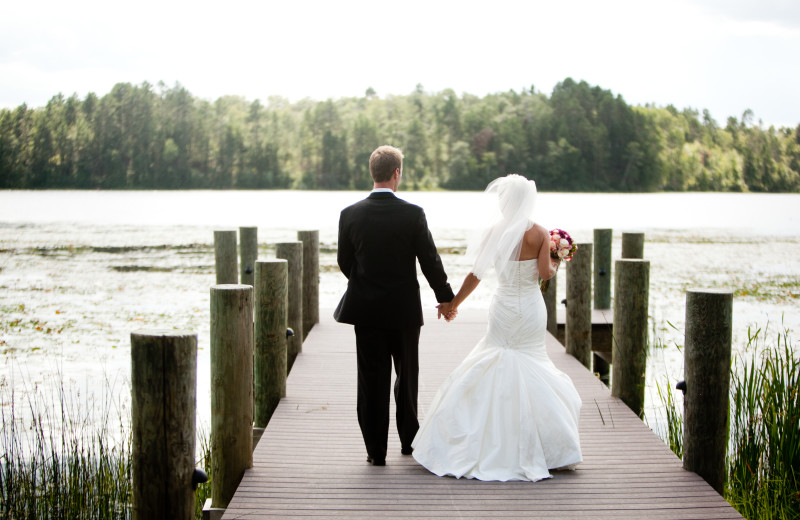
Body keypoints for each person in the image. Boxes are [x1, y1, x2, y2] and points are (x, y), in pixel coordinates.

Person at [411, 173, 583, 481]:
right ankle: (545, 447)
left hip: (503, 306)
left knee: (495, 358)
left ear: (506, 201)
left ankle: (483, 441)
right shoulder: (540, 233)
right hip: (530, 308)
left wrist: (453, 304)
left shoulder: (494, 232)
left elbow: (476, 275)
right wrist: (557, 259)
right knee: (531, 362)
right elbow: (544, 273)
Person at [334, 145, 455, 466]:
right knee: (407, 377)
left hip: (366, 312)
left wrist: (366, 283)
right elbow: (430, 260)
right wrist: (445, 298)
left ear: (372, 173)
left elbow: (345, 262)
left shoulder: (350, 214)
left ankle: (376, 452)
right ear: (397, 173)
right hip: (403, 312)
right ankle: (409, 443)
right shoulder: (412, 214)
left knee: (371, 381)